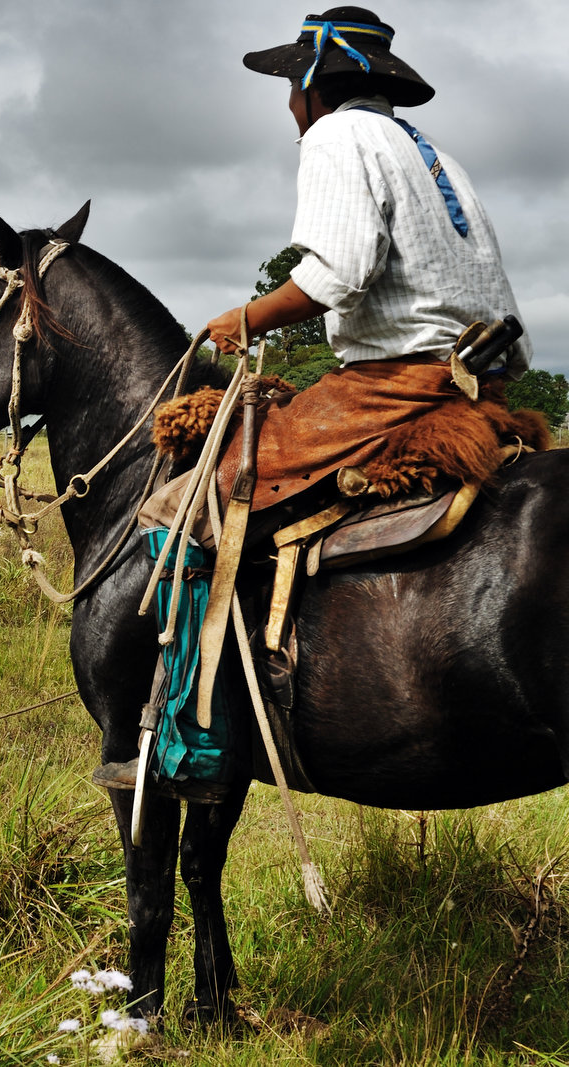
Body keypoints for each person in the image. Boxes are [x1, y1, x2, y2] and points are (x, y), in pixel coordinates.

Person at [97, 7, 534, 800]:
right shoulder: (435, 154)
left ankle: (184, 732)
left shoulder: (336, 138)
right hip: (483, 382)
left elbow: (339, 273)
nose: (287, 106)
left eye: (288, 86)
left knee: (197, 496)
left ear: (310, 84)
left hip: (396, 384)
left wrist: (247, 317)